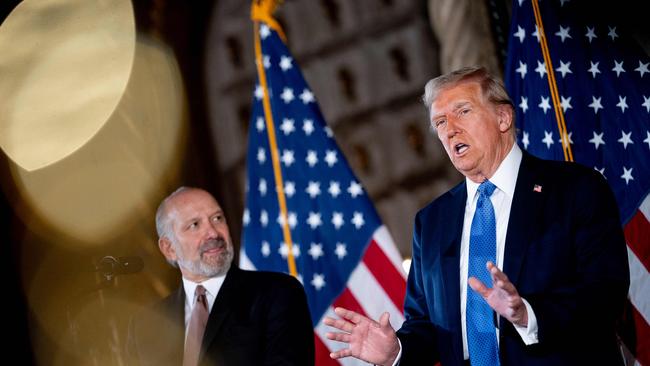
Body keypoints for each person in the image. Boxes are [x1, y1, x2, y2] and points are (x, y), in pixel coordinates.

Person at [324, 67, 629, 366]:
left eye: (463, 111)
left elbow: (605, 293)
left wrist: (527, 315)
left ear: (503, 117)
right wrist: (397, 352)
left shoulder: (573, 189)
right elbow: (427, 325)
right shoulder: (431, 222)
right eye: (440, 122)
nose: (450, 129)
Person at [127, 187, 315, 366]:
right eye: (194, 225)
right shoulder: (143, 327)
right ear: (169, 248)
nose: (213, 233)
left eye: (217, 218)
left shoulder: (277, 293)